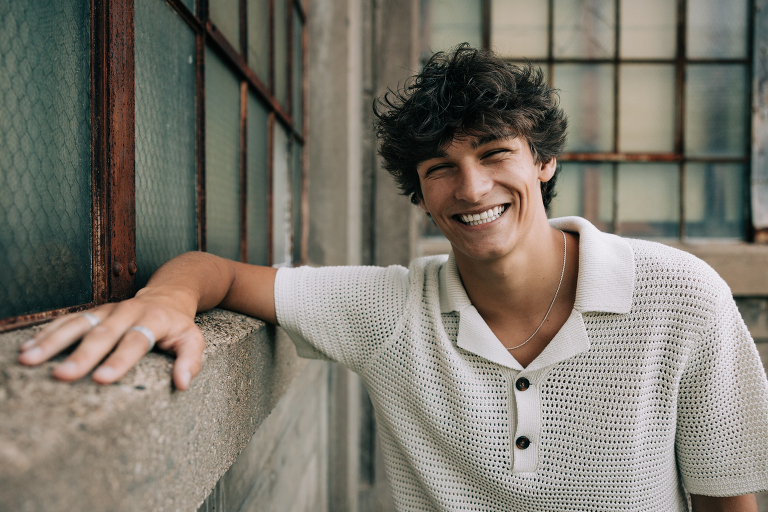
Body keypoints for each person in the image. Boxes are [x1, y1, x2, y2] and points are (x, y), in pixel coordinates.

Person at [18, 45, 768, 511]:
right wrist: (161, 304)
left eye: (494, 153)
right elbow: (212, 272)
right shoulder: (391, 309)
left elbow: (726, 498)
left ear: (543, 162)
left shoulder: (681, 295)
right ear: (421, 194)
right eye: (441, 168)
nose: (471, 189)